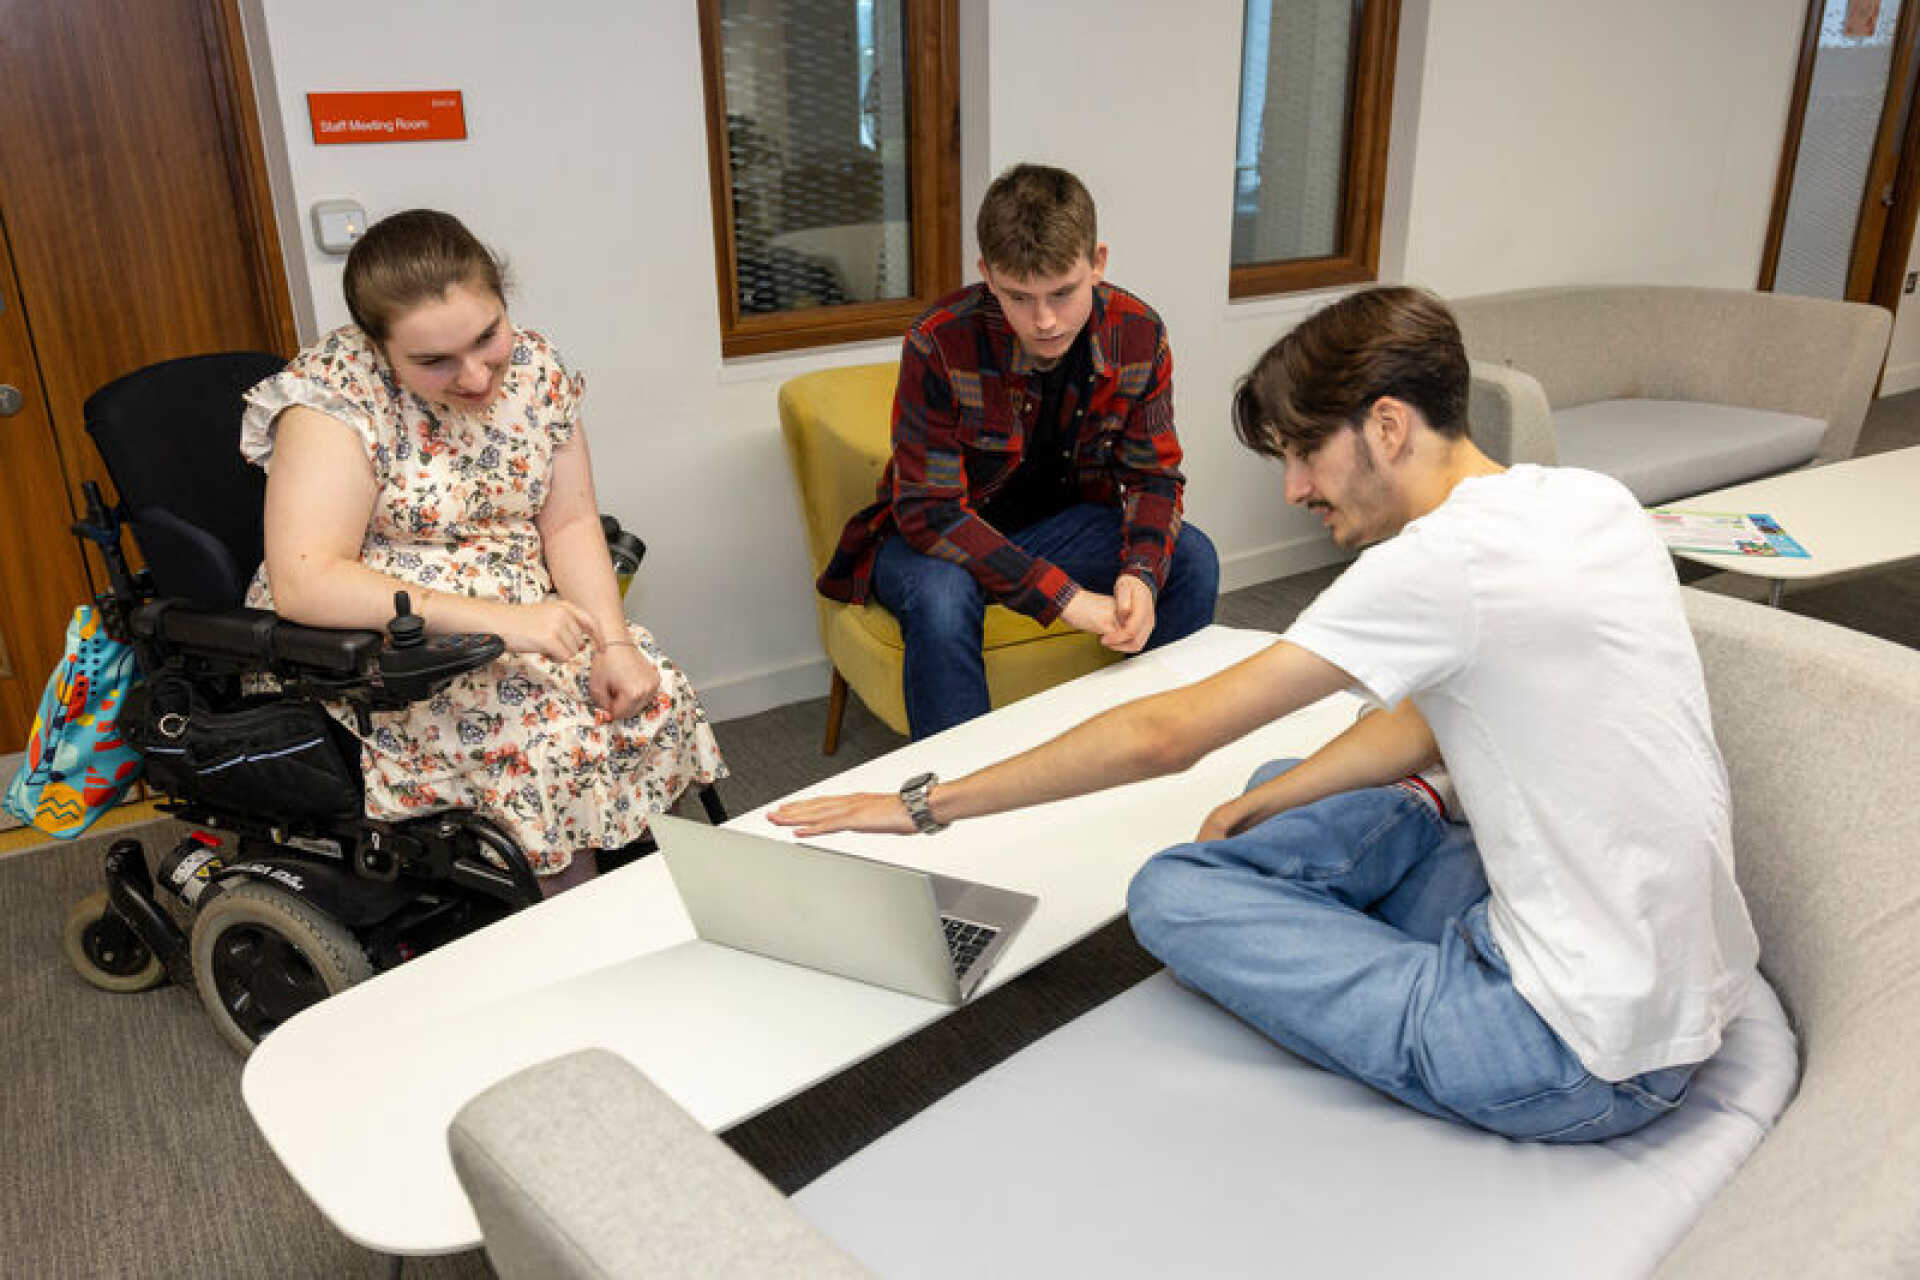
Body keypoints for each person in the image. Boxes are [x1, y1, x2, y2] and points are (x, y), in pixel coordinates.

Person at [772, 285, 1760, 1143]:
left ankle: (1351, 889)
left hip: (1571, 1052)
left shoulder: (1436, 562)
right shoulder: (1588, 501)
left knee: (1169, 893)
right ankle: (1344, 842)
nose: (1294, 490)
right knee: (1269, 795)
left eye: (1301, 456)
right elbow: (1422, 721)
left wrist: (925, 803)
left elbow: (1166, 733)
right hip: (1683, 981)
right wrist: (1278, 796)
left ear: (1385, 426)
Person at [241, 209, 726, 895]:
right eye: (433, 361)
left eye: (487, 337)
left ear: (503, 301)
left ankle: (670, 905)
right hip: (384, 656)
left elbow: (569, 523)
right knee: (543, 749)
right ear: (377, 348)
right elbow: (307, 583)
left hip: (528, 623)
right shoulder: (332, 402)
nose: (474, 376)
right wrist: (501, 622)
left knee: (654, 695)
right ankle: (575, 945)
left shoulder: (535, 369)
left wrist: (614, 643)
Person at [815, 163, 1219, 738]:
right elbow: (929, 513)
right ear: (986, 275)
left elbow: (1153, 475)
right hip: (931, 539)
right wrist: (1069, 600)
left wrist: (1140, 574)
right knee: (941, 597)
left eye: (1063, 292)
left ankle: (1158, 742)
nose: (1046, 320)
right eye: (1019, 297)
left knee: (1191, 557)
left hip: (1058, 528)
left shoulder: (1140, 332)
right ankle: (957, 792)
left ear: (1098, 262)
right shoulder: (937, 341)